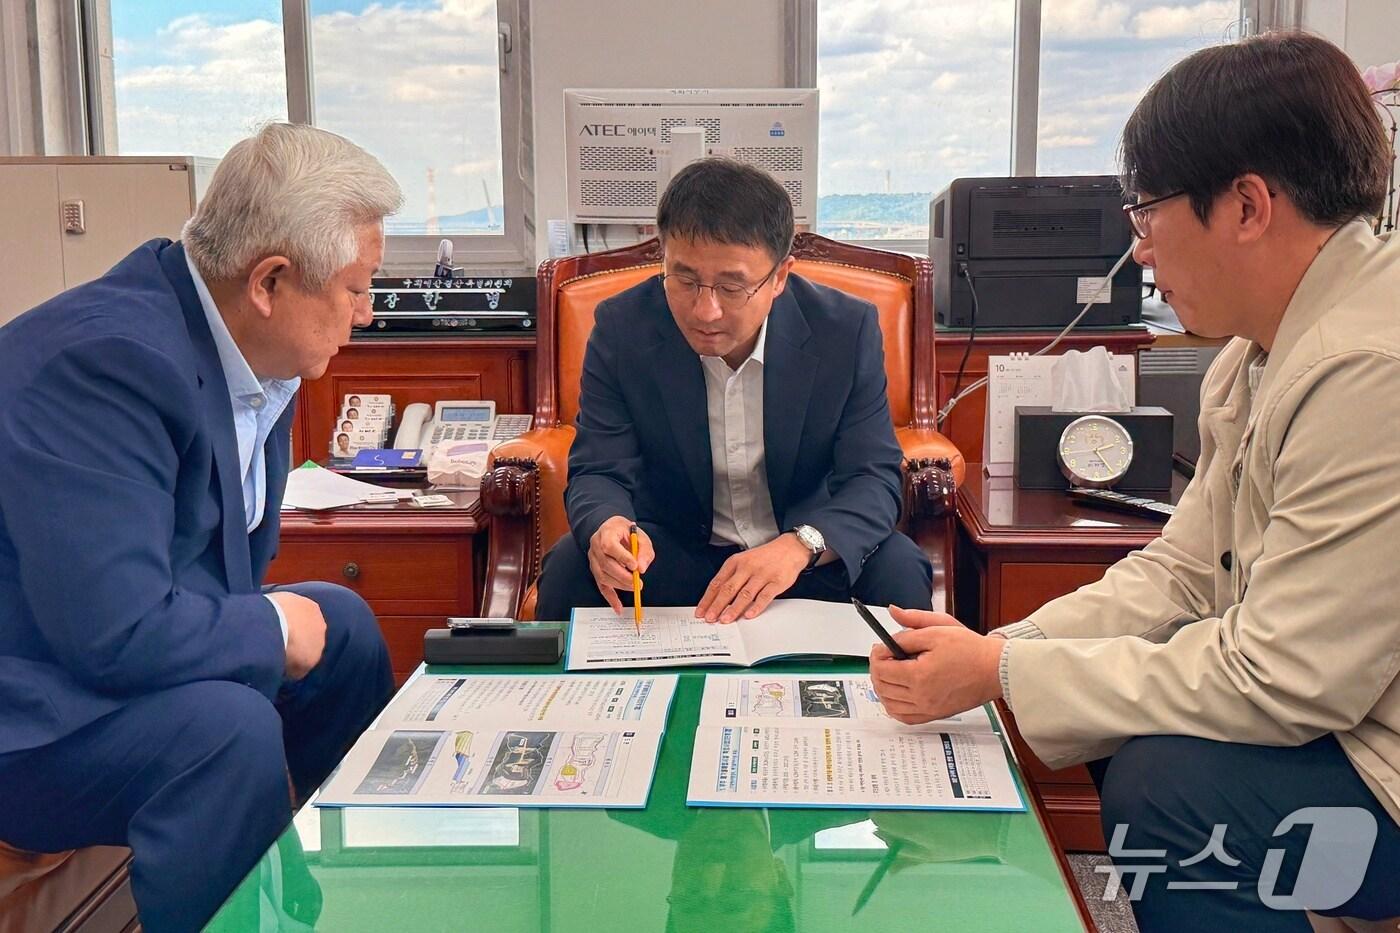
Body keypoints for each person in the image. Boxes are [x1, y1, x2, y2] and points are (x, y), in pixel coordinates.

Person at [868, 32, 1400, 930]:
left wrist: (1004, 669)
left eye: (1147, 215)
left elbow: (1284, 675)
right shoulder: (1263, 351)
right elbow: (1180, 573)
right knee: (1114, 722)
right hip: (1349, 710)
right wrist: (1001, 649)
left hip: (1377, 753)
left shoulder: (1367, 369)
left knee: (1170, 790)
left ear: (1246, 206)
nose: (1139, 252)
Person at [0, 123, 402, 932]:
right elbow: (116, 633)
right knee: (227, 732)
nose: (366, 313)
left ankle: (345, 899)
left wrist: (275, 624)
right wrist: (269, 626)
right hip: (35, 708)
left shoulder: (243, 344)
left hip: (106, 663)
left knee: (344, 626)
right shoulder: (102, 367)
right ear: (271, 280)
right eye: (356, 289)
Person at [535, 158, 932, 623]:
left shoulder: (844, 330)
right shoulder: (623, 328)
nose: (705, 311)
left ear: (779, 276)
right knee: (569, 567)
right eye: (685, 280)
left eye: (731, 286)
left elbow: (873, 478)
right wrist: (608, 526)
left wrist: (799, 546)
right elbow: (599, 468)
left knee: (899, 567)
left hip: (803, 556)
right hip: (674, 554)